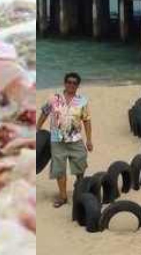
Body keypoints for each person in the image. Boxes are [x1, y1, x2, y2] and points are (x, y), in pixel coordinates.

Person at [37, 72, 92, 209]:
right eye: (69, 82)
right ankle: (63, 197)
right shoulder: (54, 98)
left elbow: (86, 120)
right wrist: (37, 129)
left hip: (75, 139)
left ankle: (79, 188)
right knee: (59, 170)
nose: (71, 85)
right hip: (57, 140)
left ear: (78, 85)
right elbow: (44, 113)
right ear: (64, 83)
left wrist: (89, 140)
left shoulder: (82, 101)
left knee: (80, 165)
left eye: (74, 83)